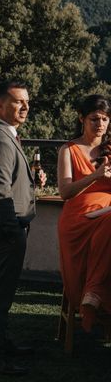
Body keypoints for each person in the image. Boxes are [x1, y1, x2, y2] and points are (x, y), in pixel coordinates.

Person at [0, 79, 45, 376]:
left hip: (10, 226)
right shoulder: (0, 138)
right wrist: (13, 229)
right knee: (0, 294)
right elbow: (0, 191)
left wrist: (31, 180)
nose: (25, 107)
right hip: (7, 229)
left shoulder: (6, 134)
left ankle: (1, 341)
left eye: (27, 102)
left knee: (3, 290)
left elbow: (9, 180)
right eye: (18, 101)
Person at [57, 94, 111, 332]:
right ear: (81, 119)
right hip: (78, 219)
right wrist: (95, 176)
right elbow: (65, 192)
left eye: (105, 119)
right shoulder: (68, 150)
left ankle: (94, 293)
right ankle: (95, 292)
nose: (100, 124)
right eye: (94, 119)